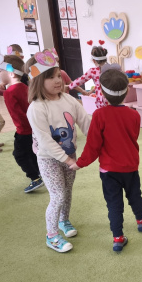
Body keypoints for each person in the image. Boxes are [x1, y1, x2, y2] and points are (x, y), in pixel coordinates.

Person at [69, 66, 142, 252]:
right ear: (127, 91)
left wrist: (80, 163)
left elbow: (93, 145)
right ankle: (140, 220)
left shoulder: (99, 115)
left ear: (102, 93)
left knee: (114, 204)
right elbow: (134, 136)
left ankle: (118, 239)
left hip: (108, 170)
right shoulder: (134, 114)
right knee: (135, 194)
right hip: (130, 166)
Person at [26, 51, 91, 253]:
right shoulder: (36, 108)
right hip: (49, 159)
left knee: (68, 191)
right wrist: (67, 160)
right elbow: (45, 141)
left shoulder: (68, 99)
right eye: (51, 77)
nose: (57, 80)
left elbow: (85, 122)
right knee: (58, 195)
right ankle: (52, 236)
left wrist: (98, 140)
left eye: (58, 75)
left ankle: (64, 221)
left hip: (70, 156)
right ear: (38, 80)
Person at [0, 55, 44, 193]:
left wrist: (22, 130)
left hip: (24, 131)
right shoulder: (24, 86)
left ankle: (35, 178)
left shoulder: (9, 93)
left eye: (0, 70)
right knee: (32, 152)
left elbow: (17, 115)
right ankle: (40, 172)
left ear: (11, 73)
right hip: (34, 128)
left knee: (20, 155)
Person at [68, 42, 108, 109]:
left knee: (102, 114)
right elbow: (101, 84)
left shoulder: (93, 71)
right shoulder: (112, 69)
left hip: (102, 100)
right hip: (113, 98)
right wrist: (91, 91)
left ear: (94, 61)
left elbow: (80, 81)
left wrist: (69, 86)